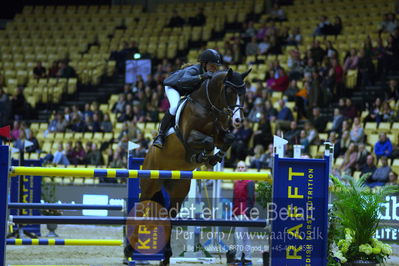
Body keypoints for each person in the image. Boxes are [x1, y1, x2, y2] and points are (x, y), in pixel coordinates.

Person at [153, 49, 222, 148]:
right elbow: (184, 80)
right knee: (174, 107)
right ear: (204, 64)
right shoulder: (194, 70)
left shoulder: (209, 74)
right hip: (174, 87)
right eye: (212, 66)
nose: (214, 69)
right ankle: (160, 135)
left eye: (216, 67)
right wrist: (202, 76)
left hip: (186, 91)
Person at [232, 161, 254, 264]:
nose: (240, 169)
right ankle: (248, 258)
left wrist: (247, 212)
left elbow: (251, 198)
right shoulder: (236, 182)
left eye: (242, 167)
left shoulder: (249, 182)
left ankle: (238, 259)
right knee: (244, 236)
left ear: (246, 169)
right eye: (239, 167)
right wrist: (233, 213)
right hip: (237, 212)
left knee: (239, 236)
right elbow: (234, 199)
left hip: (244, 212)